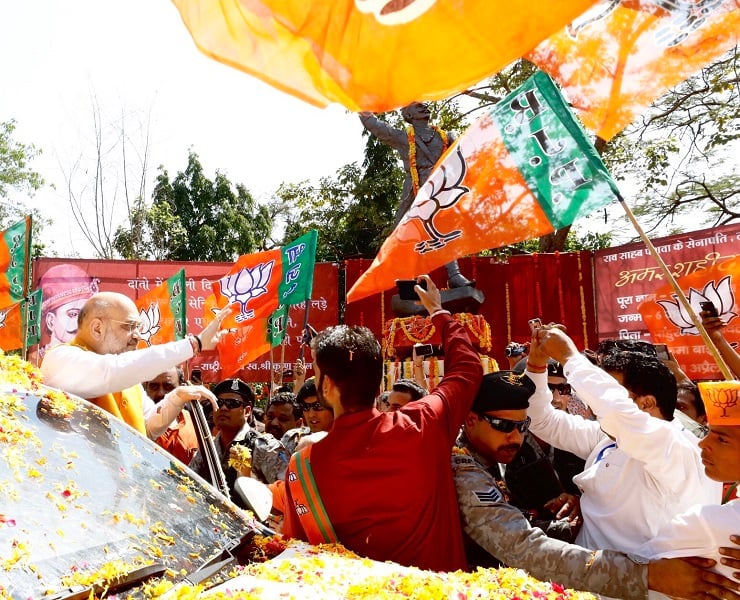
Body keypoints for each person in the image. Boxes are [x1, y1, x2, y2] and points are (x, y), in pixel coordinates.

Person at [453, 370, 739, 599]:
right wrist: (647, 576)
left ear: (645, 403)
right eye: (504, 426)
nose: (516, 436)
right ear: (471, 420)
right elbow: (520, 545)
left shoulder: (677, 456)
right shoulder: (464, 464)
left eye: (523, 426)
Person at [282, 275, 483, 571]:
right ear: (378, 386)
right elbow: (467, 369)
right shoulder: (423, 423)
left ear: (327, 387)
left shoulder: (303, 468)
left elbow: (301, 563)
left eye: (316, 374)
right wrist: (438, 313)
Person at [526, 325, 721, 554]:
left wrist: (569, 356)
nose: (595, 400)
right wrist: (536, 364)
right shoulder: (608, 438)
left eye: (611, 389)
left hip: (641, 584)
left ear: (647, 403)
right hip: (586, 578)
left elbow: (616, 411)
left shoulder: (676, 447)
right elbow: (541, 420)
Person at [40, 291, 230, 439]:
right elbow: (112, 371)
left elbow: (147, 427)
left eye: (137, 328)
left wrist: (175, 399)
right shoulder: (60, 359)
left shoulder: (128, 380)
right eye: (128, 326)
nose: (137, 336)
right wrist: (194, 344)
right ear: (97, 328)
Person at [639, 379, 740, 596]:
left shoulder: (709, 523)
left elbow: (626, 570)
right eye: (708, 432)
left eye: (722, 439)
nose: (703, 444)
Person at [359, 104, 471, 288]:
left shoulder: (445, 136)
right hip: (414, 188)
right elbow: (375, 126)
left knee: (443, 228)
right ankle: (408, 278)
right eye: (418, 105)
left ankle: (455, 275)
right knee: (402, 231)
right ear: (408, 115)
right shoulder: (403, 137)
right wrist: (359, 105)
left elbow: (465, 154)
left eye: (425, 104)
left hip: (440, 186)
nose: (424, 106)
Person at [189, 378, 289, 495]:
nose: (224, 408)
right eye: (219, 402)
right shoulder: (207, 447)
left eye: (232, 403)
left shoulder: (265, 447)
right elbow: (189, 482)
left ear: (247, 411)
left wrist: (249, 482)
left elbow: (285, 494)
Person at [38, 263, 98, 358]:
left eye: (86, 315)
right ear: (51, 321)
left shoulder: (91, 360)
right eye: (73, 314)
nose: (82, 323)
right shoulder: (34, 363)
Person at [144, 366, 200, 465]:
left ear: (181, 387)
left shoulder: (195, 421)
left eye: (168, 387)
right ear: (145, 387)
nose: (161, 393)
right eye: (154, 386)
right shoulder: (136, 422)